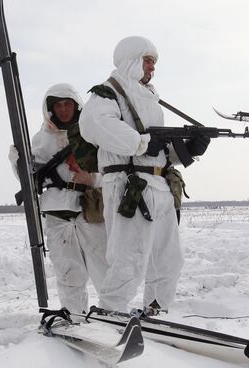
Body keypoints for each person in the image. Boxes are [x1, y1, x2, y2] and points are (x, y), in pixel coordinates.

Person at [78, 36, 210, 313]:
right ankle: (111, 313)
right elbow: (94, 124)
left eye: (153, 62)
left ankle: (156, 310)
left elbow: (156, 152)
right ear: (131, 59)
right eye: (147, 60)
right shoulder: (108, 93)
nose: (152, 68)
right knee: (129, 259)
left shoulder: (150, 98)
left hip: (159, 186)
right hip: (130, 185)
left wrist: (189, 150)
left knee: (168, 260)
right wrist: (141, 142)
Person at [27, 83, 109, 313]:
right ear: (51, 109)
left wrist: (91, 178)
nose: (63, 109)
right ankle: (74, 317)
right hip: (58, 214)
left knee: (105, 269)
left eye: (67, 104)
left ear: (76, 105)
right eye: (58, 105)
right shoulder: (39, 140)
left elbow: (109, 170)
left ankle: (115, 314)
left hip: (90, 210)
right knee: (68, 273)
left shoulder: (91, 135)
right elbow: (31, 179)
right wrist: (19, 163)